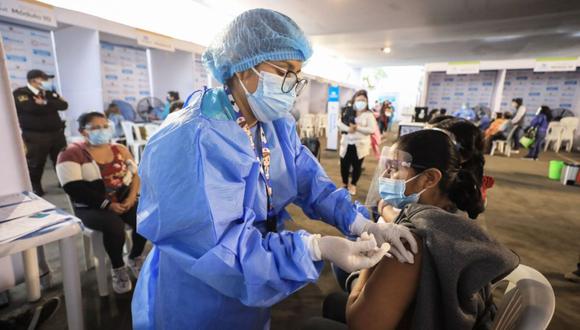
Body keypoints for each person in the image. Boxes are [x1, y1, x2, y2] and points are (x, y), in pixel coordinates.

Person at [131, 9, 416, 330]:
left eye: (298, 74)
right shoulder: (194, 139)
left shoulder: (273, 124)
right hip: (199, 289)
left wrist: (362, 221)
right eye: (284, 71)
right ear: (243, 66)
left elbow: (310, 181)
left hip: (254, 274)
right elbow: (218, 248)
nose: (293, 85)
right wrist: (313, 247)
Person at [307, 130, 519, 330]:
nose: (387, 175)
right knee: (334, 302)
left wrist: (366, 266)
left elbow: (361, 324)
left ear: (429, 178)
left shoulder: (409, 241)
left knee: (313, 325)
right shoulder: (456, 220)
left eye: (395, 168)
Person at [56, 112, 147, 294]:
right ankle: (118, 268)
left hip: (122, 200)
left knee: (144, 219)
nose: (103, 130)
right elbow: (74, 189)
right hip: (91, 207)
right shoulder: (71, 154)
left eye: (105, 126)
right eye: (96, 127)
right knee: (114, 226)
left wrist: (130, 198)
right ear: (83, 132)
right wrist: (107, 205)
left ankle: (135, 257)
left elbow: (136, 175)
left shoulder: (119, 149)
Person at [14, 69, 68, 196]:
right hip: (35, 135)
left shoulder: (49, 93)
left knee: (61, 160)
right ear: (33, 80)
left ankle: (64, 182)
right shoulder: (20, 93)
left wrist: (45, 103)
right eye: (43, 79)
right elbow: (31, 108)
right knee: (36, 162)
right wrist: (50, 105)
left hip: (57, 133)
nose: (47, 82)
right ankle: (36, 186)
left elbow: (64, 105)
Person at [338, 90, 377, 196]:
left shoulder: (369, 115)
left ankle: (353, 184)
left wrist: (357, 128)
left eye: (363, 100)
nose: (361, 102)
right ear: (354, 100)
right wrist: (348, 129)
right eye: (359, 100)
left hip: (360, 146)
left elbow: (372, 130)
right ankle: (344, 183)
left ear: (367, 101)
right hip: (346, 143)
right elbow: (339, 123)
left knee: (357, 166)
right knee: (344, 165)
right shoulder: (348, 111)